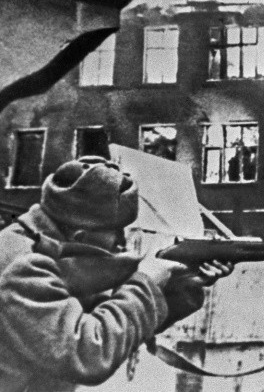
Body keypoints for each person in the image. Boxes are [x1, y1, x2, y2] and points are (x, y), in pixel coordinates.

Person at [0, 156, 233, 391]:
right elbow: (88, 353)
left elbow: (102, 317)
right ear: (80, 236)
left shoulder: (37, 246)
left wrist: (174, 288)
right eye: (116, 232)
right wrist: (146, 283)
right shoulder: (23, 268)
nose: (121, 243)